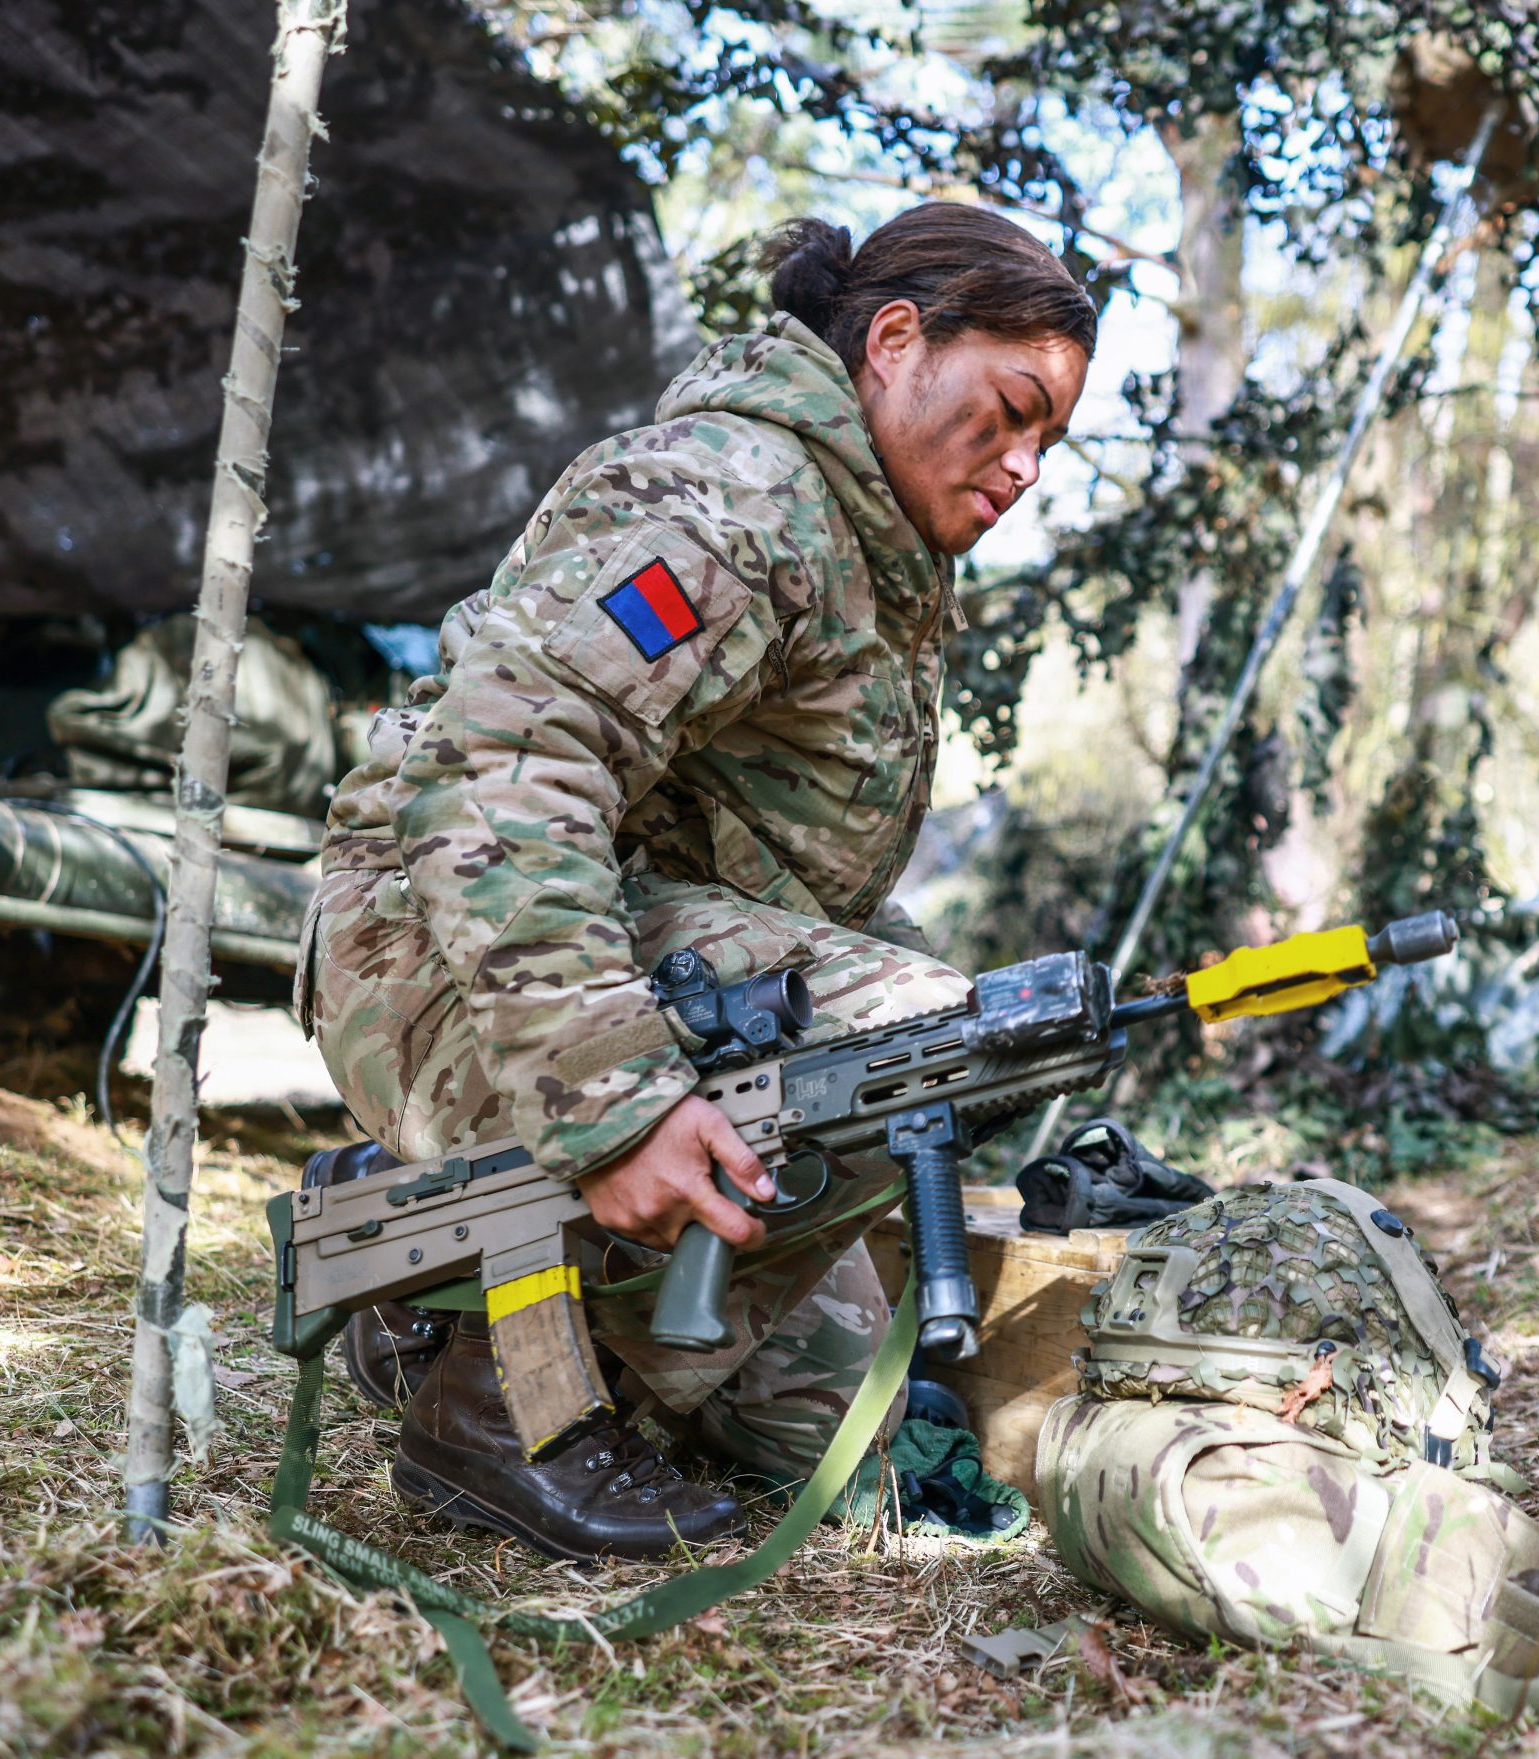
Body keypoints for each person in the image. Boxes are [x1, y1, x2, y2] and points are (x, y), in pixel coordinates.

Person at [297, 204, 1095, 1560]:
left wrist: (965, 1089)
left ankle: (424, 1279)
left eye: (1048, 442)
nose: (1022, 467)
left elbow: (793, 898)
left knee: (843, 1438)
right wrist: (616, 1108)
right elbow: (503, 771)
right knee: (926, 1040)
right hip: (428, 949)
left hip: (590, 957)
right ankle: (505, 1408)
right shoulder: (736, 499)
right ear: (895, 340)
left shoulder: (869, 548)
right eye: (1011, 410)